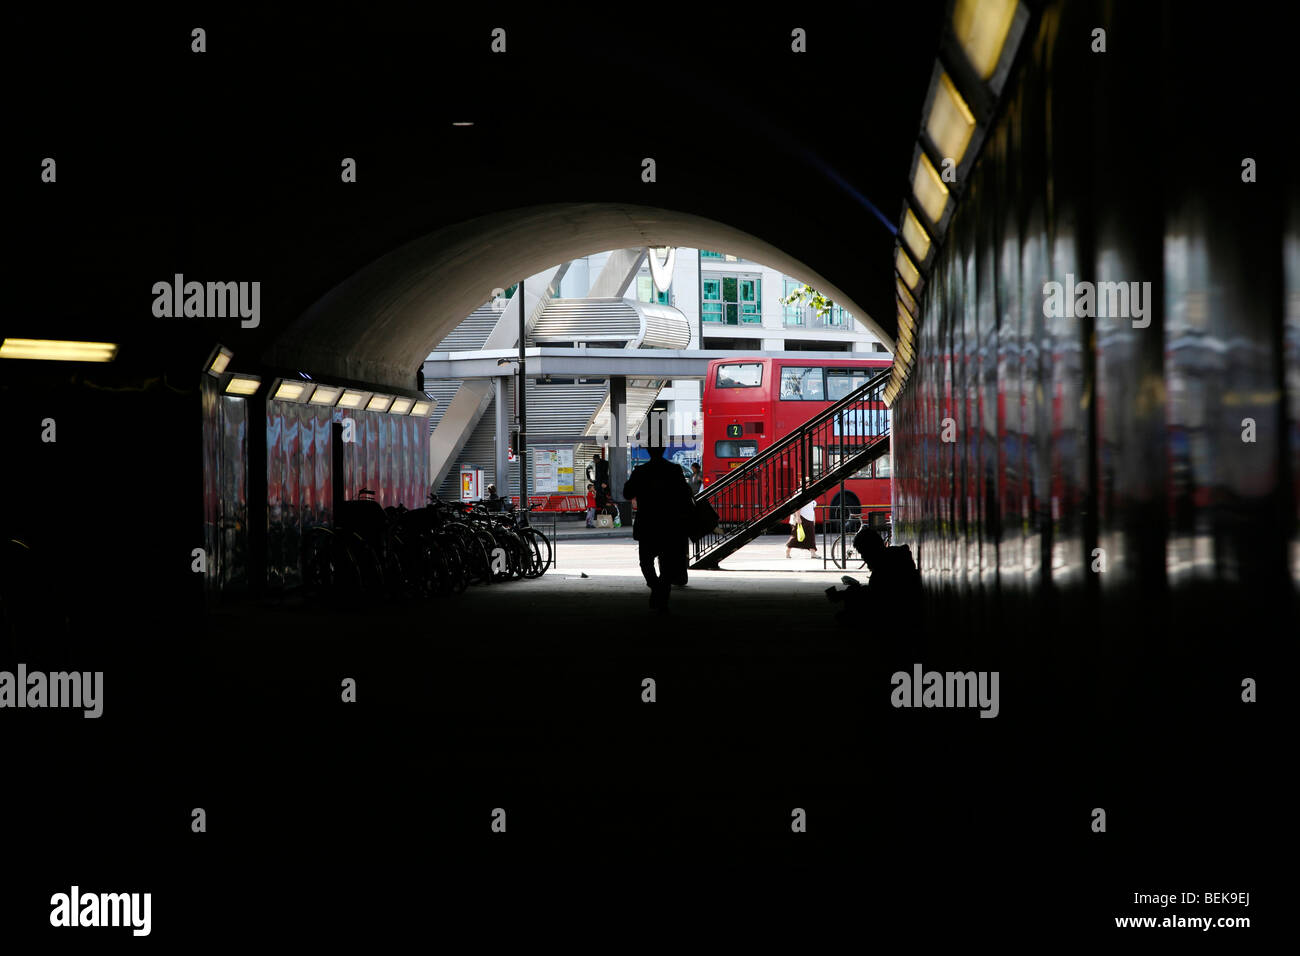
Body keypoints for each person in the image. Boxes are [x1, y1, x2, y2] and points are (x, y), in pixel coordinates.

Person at [622, 445, 694, 612]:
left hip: (647, 524)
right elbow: (685, 494)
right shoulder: (674, 470)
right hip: (670, 525)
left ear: (648, 451)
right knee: (668, 565)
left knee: (645, 562)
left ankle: (656, 588)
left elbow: (627, 493)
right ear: (663, 450)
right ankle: (662, 592)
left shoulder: (640, 471)